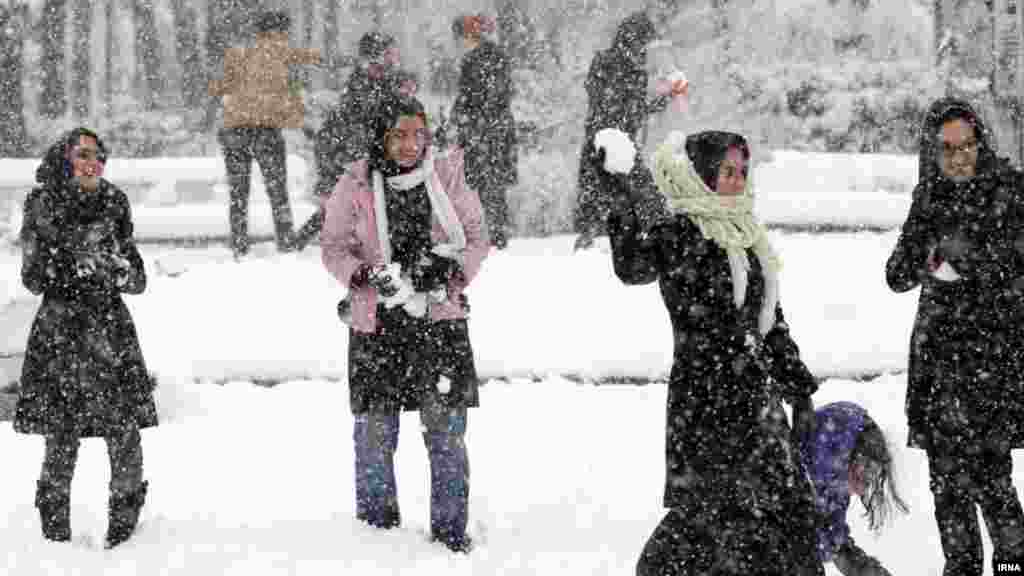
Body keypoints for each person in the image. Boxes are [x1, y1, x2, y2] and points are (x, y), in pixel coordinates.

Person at [592, 127, 822, 575]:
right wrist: (620, 201)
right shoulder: (680, 231)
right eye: (725, 171)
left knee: (781, 520)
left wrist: (799, 388)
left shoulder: (748, 238)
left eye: (741, 172)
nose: (735, 181)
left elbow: (770, 322)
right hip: (704, 406)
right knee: (710, 525)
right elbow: (632, 267)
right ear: (700, 175)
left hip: (756, 403)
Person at [320, 94, 489, 553]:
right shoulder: (354, 183)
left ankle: (451, 533)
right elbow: (333, 247)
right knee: (374, 436)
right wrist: (364, 274)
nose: (411, 144)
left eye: (419, 133)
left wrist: (450, 272)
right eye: (399, 134)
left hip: (439, 321)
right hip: (378, 325)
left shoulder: (447, 174)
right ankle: (377, 539)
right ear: (381, 138)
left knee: (446, 435)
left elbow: (475, 239)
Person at [885, 97, 1024, 575]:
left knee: (992, 477)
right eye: (948, 150)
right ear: (933, 152)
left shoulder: (1011, 190)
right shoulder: (928, 197)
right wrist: (927, 252)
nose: (960, 156)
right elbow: (896, 275)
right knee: (947, 482)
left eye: (967, 145)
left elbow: (1017, 266)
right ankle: (960, 567)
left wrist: (970, 265)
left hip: (994, 357)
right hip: (940, 362)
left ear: (981, 142)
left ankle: (1012, 566)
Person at [15, 128, 158, 549]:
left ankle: (126, 534)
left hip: (110, 331)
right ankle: (54, 539)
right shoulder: (41, 204)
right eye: (83, 154)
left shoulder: (115, 201)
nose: (92, 162)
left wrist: (116, 269)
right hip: (61, 332)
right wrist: (71, 265)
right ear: (64, 159)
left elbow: (137, 278)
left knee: (124, 431)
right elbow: (33, 276)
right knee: (61, 434)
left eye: (99, 155)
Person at [208, 9, 320, 258]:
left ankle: (238, 243)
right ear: (278, 32)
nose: (287, 37)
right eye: (285, 32)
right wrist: (302, 125)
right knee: (278, 191)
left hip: (233, 132)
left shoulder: (237, 53)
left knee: (239, 193)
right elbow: (292, 91)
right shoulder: (280, 51)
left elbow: (217, 87)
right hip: (265, 133)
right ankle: (286, 241)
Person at [573, 11, 683, 251]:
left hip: (623, 142)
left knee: (632, 193)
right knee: (605, 191)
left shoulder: (636, 71)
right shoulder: (605, 62)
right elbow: (601, 99)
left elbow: (633, 109)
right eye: (642, 43)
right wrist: (627, 105)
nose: (644, 50)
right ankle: (590, 238)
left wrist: (659, 103)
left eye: (646, 44)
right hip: (603, 141)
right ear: (630, 39)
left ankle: (656, 233)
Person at [292, 31, 401, 252]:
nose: (394, 57)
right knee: (343, 203)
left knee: (349, 202)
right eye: (389, 52)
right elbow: (361, 123)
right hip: (346, 151)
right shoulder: (364, 83)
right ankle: (301, 242)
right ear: (376, 56)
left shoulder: (380, 80)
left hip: (355, 150)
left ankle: (301, 241)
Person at [795, 401, 909, 576]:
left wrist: (862, 569)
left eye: (871, 479)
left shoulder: (832, 487)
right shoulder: (798, 485)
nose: (864, 488)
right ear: (843, 453)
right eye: (865, 472)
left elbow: (833, 541)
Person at [451, 13, 518, 249]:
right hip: (488, 131)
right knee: (488, 185)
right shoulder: (489, 57)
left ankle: (493, 236)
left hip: (487, 132)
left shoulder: (483, 59)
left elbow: (485, 96)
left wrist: (466, 118)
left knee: (488, 185)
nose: (459, 42)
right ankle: (493, 235)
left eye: (460, 37)